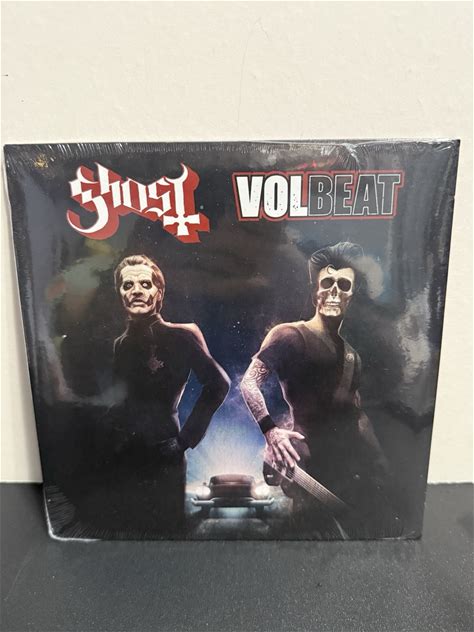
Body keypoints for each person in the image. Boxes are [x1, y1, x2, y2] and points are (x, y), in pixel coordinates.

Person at [240, 242, 399, 538]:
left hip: (351, 474)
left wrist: (380, 463)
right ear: (315, 290)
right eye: (327, 283)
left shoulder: (352, 356)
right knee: (310, 547)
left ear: (352, 295)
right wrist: (271, 432)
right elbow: (249, 383)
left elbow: (357, 414)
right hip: (308, 474)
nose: (334, 291)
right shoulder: (289, 335)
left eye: (344, 285)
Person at [111, 254, 230, 537]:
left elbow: (218, 384)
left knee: (166, 533)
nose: (136, 291)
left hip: (164, 451)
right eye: (128, 285)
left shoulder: (181, 336)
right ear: (120, 294)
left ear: (159, 292)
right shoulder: (120, 344)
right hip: (123, 455)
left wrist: (184, 440)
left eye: (145, 284)